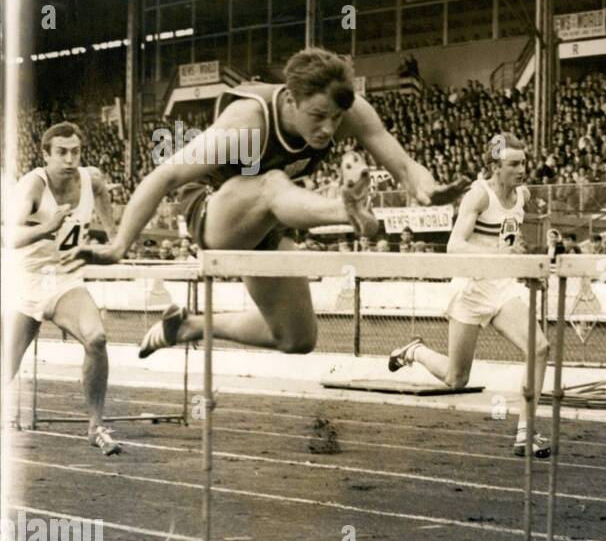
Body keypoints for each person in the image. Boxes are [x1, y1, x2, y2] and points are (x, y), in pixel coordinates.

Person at [78, 48, 468, 357]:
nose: (329, 129)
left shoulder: (345, 108)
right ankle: (342, 210)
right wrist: (118, 245)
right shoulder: (248, 121)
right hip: (213, 213)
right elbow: (163, 177)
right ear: (289, 101)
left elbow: (402, 163)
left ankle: (191, 326)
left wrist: (428, 188)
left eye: (336, 119)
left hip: (267, 222)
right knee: (271, 183)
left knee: (296, 337)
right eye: (317, 116)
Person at [387, 134, 550, 458]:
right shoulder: (478, 195)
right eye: (514, 164)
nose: (522, 170)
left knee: (540, 347)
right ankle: (414, 352)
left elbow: (531, 214)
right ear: (494, 166)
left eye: (524, 162)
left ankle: (525, 432)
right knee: (456, 378)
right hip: (471, 288)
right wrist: (501, 257)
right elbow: (454, 246)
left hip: (500, 286)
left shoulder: (523, 194)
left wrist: (542, 237)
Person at [5, 122, 123, 454]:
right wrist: (48, 227)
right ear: (46, 155)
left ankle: (96, 426)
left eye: (76, 151)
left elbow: (101, 193)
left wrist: (114, 235)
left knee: (96, 339)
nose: (70, 159)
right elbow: (8, 236)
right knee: (7, 365)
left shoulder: (90, 178)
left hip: (64, 279)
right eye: (61, 152)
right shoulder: (32, 186)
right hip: (25, 280)